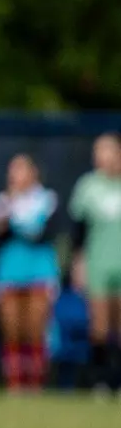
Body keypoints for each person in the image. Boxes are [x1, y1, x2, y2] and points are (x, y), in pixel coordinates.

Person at [0, 153, 61, 393]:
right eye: (13, 170)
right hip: (10, 270)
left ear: (33, 173)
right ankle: (15, 382)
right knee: (12, 328)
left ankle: (36, 382)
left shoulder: (47, 200)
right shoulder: (2, 201)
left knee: (35, 328)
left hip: (40, 270)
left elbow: (43, 235)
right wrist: (9, 218)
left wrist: (16, 225)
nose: (16, 176)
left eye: (21, 170)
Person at [69, 133, 121, 397]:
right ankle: (101, 381)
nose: (102, 156)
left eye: (108, 150)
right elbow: (79, 231)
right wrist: (79, 263)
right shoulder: (88, 186)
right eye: (98, 151)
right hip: (100, 262)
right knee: (99, 324)